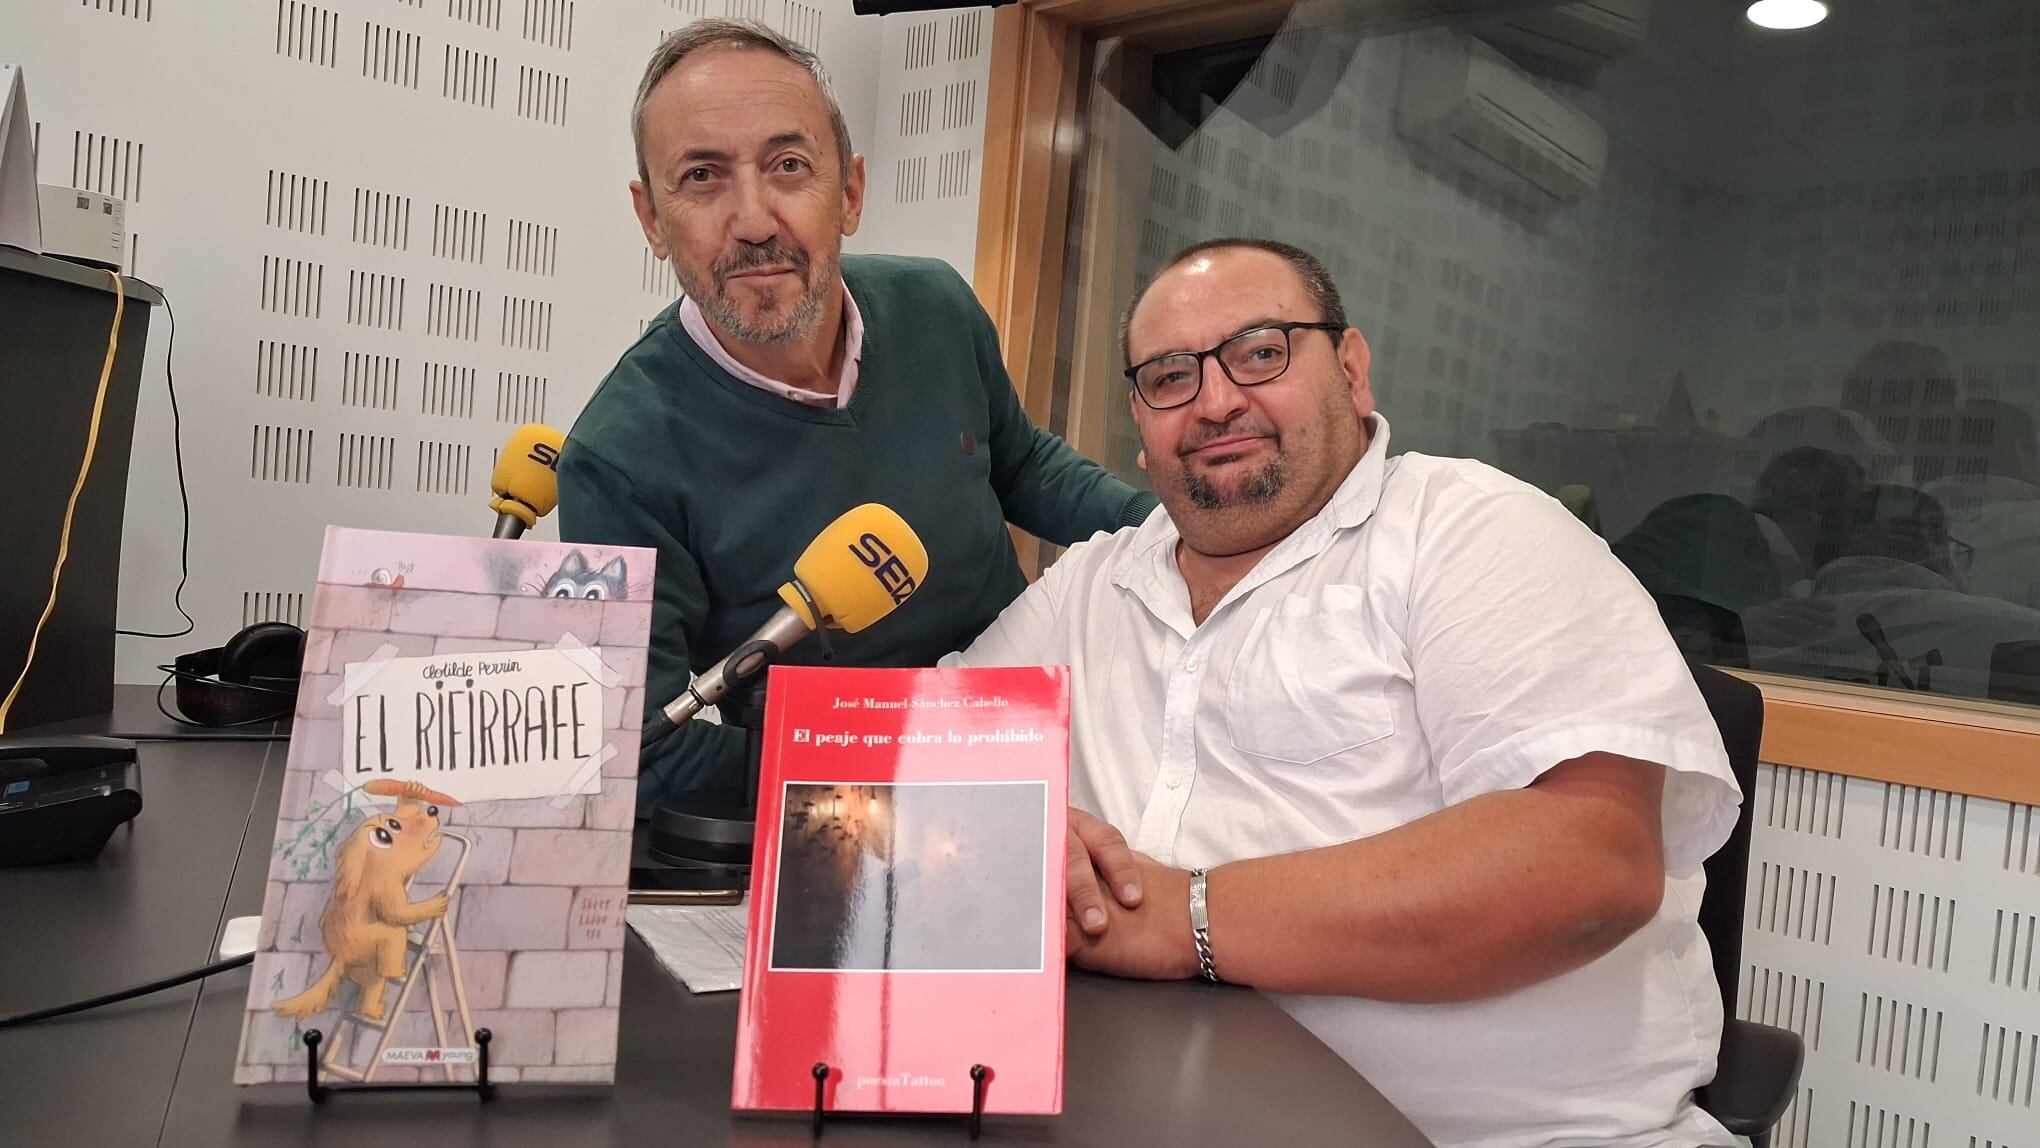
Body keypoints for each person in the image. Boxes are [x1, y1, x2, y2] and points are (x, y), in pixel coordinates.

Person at [945, 238, 1744, 1148]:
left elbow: (1590, 864)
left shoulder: (1474, 533)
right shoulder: (1088, 589)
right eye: (1170, 375)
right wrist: (1024, 841)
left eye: (1260, 352)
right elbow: (903, 774)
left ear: (1353, 370)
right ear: (1140, 421)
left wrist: (1184, 916)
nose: (1214, 400)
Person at [558, 20, 1155, 811]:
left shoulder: (936, 305)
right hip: (848, 817)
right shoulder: (616, 459)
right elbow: (656, 751)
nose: (755, 219)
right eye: (701, 177)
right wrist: (905, 776)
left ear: (849, 192)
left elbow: (1018, 464)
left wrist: (1168, 532)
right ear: (651, 219)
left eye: (790, 166)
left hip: (1039, 742)